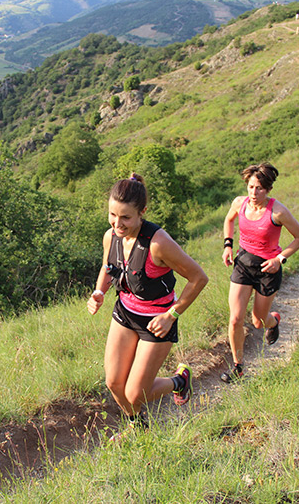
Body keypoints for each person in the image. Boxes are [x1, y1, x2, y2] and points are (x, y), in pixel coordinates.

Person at [87, 174, 208, 437]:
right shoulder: (111, 236)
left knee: (135, 392)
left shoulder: (158, 243)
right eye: (112, 215)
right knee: (114, 383)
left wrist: (171, 315)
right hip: (125, 314)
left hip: (157, 321)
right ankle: (138, 427)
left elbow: (199, 278)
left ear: (142, 213)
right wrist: (99, 291)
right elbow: (109, 267)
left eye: (126, 218)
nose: (117, 224)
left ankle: (179, 381)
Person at [220, 163, 299, 383]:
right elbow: (229, 220)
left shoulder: (278, 212)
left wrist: (279, 259)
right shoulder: (239, 203)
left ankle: (273, 322)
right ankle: (238, 366)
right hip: (243, 264)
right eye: (250, 187)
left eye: (258, 188)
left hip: (268, 270)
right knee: (235, 319)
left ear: (267, 189)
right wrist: (228, 245)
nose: (253, 193)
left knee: (258, 321)